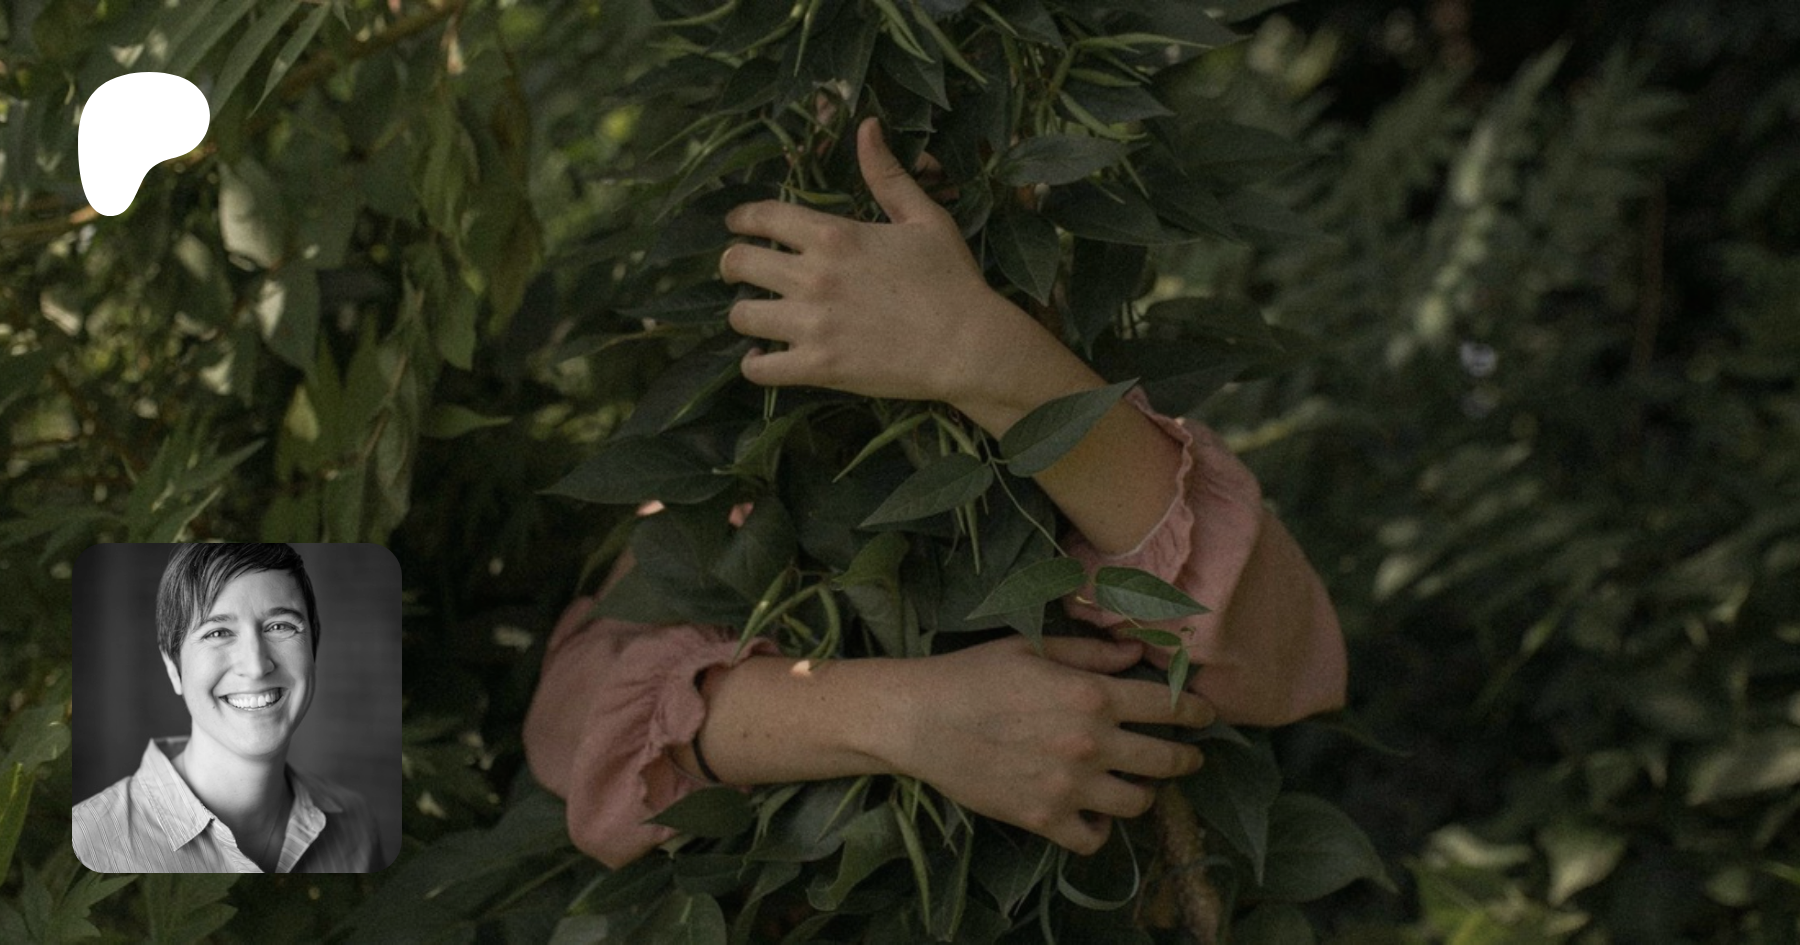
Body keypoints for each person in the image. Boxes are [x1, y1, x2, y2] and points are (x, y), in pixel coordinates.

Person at [524, 118, 1347, 869]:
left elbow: (1275, 654)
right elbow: (572, 711)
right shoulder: (763, 446)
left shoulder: (1077, 362)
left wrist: (976, 349)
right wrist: (904, 717)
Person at [73, 543, 383, 873]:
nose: (256, 666)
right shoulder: (92, 842)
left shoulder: (355, 824)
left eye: (280, 626)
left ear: (313, 649)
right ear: (173, 669)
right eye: (218, 632)